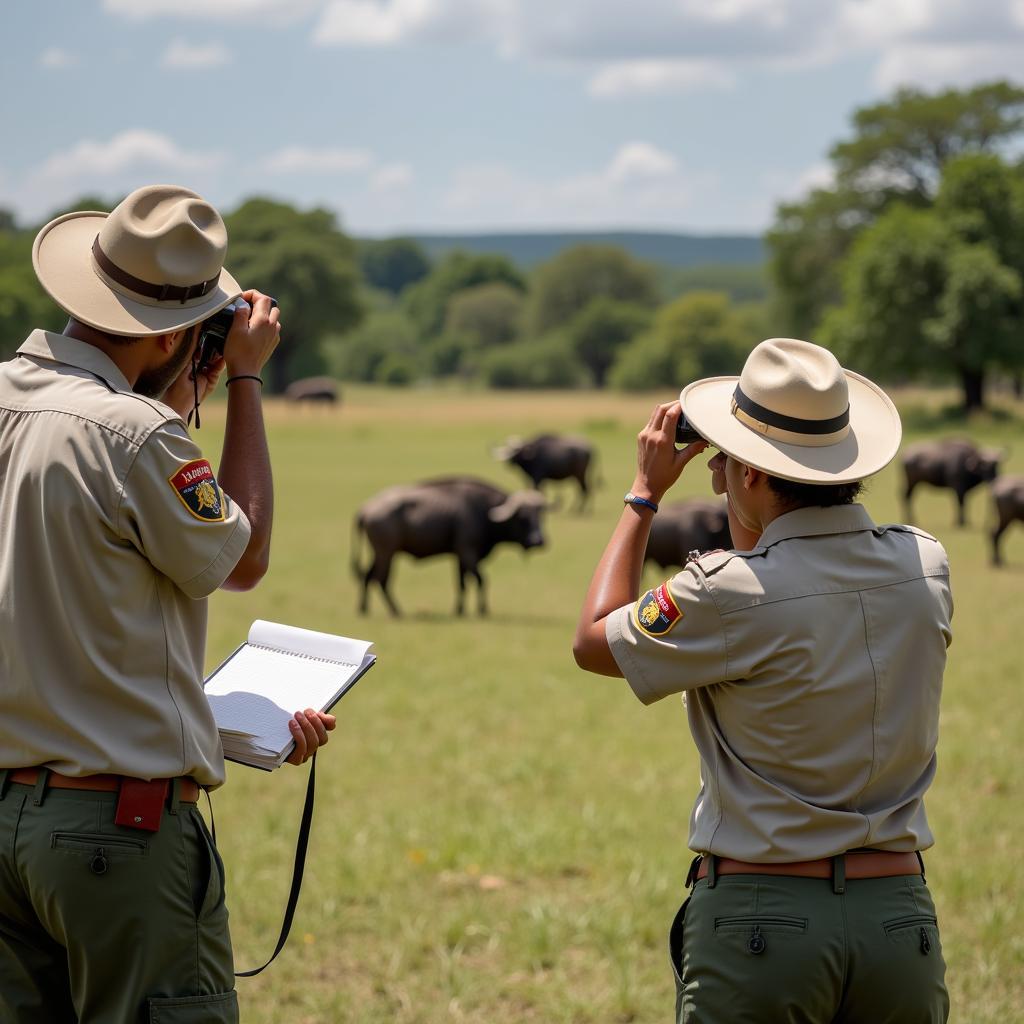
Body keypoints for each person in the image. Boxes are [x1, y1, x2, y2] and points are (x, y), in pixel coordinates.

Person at [0, 184, 335, 1023]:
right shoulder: (138, 435)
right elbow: (243, 556)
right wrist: (248, 382)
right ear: (180, 331)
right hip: (113, 830)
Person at [573, 337, 952, 1023]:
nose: (715, 474)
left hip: (764, 926)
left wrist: (643, 494)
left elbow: (596, 639)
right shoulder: (925, 565)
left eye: (723, 462)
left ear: (750, 475)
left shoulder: (726, 593)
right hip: (902, 922)